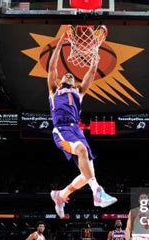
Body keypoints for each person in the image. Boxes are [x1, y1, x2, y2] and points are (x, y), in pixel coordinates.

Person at [47, 33, 117, 218]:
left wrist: (95, 55)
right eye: (66, 74)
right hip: (61, 130)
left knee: (87, 174)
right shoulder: (54, 90)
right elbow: (52, 67)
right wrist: (60, 44)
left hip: (76, 130)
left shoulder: (78, 92)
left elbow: (91, 73)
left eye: (71, 75)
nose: (69, 75)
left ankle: (60, 195)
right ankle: (98, 192)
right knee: (82, 152)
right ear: (61, 80)